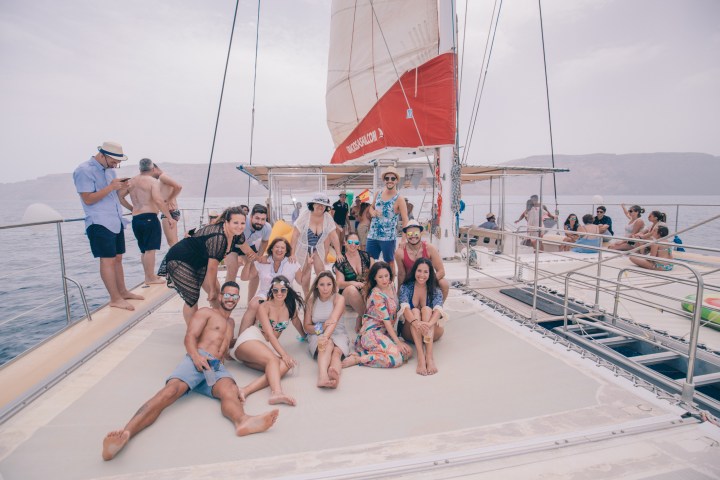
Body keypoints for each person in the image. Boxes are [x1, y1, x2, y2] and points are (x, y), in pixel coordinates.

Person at [101, 281, 278, 461]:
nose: (230, 299)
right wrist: (196, 357)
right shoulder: (206, 313)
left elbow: (226, 347)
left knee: (230, 392)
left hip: (216, 367)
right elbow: (190, 337)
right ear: (219, 296)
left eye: (234, 296)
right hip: (198, 359)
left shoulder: (231, 323)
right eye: (227, 294)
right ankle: (125, 434)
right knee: (169, 392)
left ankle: (242, 421)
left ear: (238, 299)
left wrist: (258, 341)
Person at [73, 141, 143, 311]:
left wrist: (122, 187)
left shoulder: (110, 171)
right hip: (99, 222)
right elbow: (88, 199)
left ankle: (123, 292)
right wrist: (111, 186)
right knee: (108, 260)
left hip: (115, 220)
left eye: (118, 162)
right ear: (102, 155)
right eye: (114, 161)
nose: (116, 164)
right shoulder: (83, 170)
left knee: (118, 258)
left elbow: (113, 194)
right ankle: (115, 298)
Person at [158, 206, 255, 324]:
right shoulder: (219, 237)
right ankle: (194, 333)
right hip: (180, 260)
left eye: (242, 223)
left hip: (199, 261)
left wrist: (263, 258)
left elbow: (248, 251)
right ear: (227, 222)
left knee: (218, 293)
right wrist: (212, 290)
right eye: (235, 222)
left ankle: (219, 324)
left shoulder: (237, 234)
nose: (240, 226)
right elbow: (212, 267)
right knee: (192, 298)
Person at [228, 276, 304, 406]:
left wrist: (305, 335)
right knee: (275, 360)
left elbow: (297, 322)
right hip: (251, 339)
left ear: (288, 291)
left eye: (283, 290)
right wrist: (284, 355)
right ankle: (277, 393)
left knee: (285, 365)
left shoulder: (290, 308)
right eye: (275, 290)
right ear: (271, 291)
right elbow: (269, 333)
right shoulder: (264, 306)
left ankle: (245, 390)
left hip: (266, 346)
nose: (279, 293)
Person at [341, 262, 412, 369]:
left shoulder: (391, 285)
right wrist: (397, 342)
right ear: (374, 278)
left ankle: (366, 354)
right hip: (372, 333)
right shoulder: (376, 295)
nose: (384, 280)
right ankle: (359, 359)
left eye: (386, 276)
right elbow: (387, 322)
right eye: (380, 277)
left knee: (408, 352)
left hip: (385, 333)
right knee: (396, 358)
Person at [121, 158, 174, 285]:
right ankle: (150, 278)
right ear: (152, 169)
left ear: (139, 169)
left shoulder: (131, 181)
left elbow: (119, 196)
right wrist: (169, 217)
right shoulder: (152, 181)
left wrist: (132, 208)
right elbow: (158, 200)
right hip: (149, 217)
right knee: (150, 250)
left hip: (136, 219)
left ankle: (148, 276)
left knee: (144, 250)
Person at [238, 237, 302, 335]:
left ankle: (304, 335)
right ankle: (241, 336)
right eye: (277, 247)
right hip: (265, 294)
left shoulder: (292, 262)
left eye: (282, 248)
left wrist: (308, 266)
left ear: (286, 251)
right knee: (253, 304)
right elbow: (244, 278)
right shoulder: (262, 261)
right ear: (271, 248)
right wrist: (249, 263)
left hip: (284, 295)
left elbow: (302, 281)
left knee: (293, 313)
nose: (279, 250)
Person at [302, 271, 351, 388]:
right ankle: (323, 377)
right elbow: (307, 327)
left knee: (337, 352)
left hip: (338, 331)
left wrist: (325, 335)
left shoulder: (339, 298)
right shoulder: (311, 301)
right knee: (327, 345)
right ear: (317, 286)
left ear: (333, 285)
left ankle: (334, 375)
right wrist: (322, 330)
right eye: (322, 284)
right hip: (317, 333)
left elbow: (333, 320)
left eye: (329, 284)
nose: (325, 288)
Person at [398, 258, 446, 376]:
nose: (422, 275)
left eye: (426, 272)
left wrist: (428, 325)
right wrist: (416, 323)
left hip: (432, 331)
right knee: (414, 311)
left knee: (427, 310)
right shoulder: (405, 287)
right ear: (414, 271)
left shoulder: (435, 288)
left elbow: (439, 310)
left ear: (430, 274)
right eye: (419, 271)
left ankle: (429, 357)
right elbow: (405, 309)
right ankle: (421, 356)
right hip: (410, 332)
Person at [290, 193, 343, 296]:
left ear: (326, 207)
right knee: (306, 272)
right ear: (313, 204)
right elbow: (295, 235)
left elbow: (333, 236)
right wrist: (292, 253)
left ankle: (322, 294)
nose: (320, 206)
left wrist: (339, 253)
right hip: (303, 247)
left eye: (323, 205)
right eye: (318, 203)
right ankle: (307, 295)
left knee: (321, 271)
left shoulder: (327, 217)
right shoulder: (305, 215)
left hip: (318, 248)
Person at [366, 166, 409, 275]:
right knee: (369, 260)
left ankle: (390, 286)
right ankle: (370, 285)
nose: (389, 181)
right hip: (373, 235)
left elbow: (405, 220)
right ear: (384, 180)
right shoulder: (378, 194)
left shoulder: (399, 198)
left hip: (388, 237)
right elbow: (371, 207)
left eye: (392, 178)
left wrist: (404, 239)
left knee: (389, 262)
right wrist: (372, 212)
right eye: (387, 178)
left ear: (397, 180)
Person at [225, 204, 272, 297]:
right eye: (257, 218)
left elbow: (264, 242)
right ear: (250, 217)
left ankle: (250, 301)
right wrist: (257, 258)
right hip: (233, 244)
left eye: (263, 219)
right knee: (232, 268)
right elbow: (242, 244)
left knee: (256, 272)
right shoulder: (242, 222)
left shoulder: (267, 228)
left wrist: (259, 256)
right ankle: (228, 297)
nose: (260, 222)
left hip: (249, 245)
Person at [395, 220, 449, 300]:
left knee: (444, 283)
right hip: (411, 283)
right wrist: (399, 293)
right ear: (406, 235)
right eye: (409, 234)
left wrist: (426, 282)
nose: (413, 236)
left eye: (416, 233)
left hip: (427, 280)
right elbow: (401, 274)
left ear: (421, 233)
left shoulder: (430, 248)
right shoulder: (400, 252)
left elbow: (441, 272)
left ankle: (438, 308)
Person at [334, 232, 373, 330]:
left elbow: (376, 274)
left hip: (365, 290)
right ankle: (368, 319)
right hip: (347, 294)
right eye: (350, 242)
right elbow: (339, 284)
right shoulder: (341, 260)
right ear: (345, 243)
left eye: (356, 242)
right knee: (352, 289)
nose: (353, 245)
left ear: (359, 244)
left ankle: (360, 317)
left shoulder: (366, 256)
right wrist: (353, 283)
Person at [153, 164, 183, 247]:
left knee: (172, 243)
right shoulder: (163, 178)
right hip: (172, 211)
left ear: (154, 169)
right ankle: (178, 259)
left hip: (170, 212)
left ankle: (177, 259)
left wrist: (169, 199)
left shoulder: (162, 177)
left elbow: (179, 187)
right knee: (174, 242)